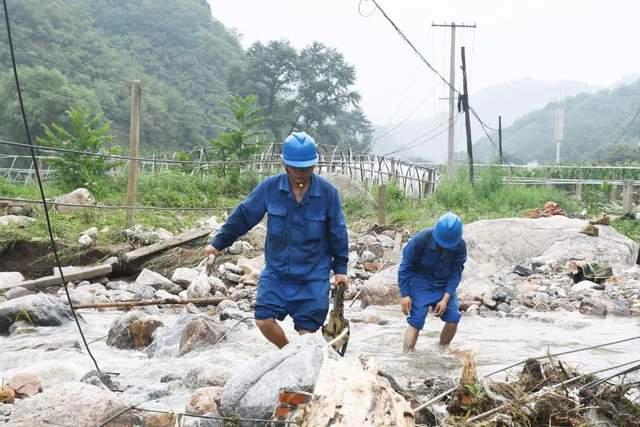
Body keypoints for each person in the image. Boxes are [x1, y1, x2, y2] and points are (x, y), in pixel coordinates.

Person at [204, 132, 349, 348]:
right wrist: (217, 244)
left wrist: (341, 269)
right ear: (284, 164)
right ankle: (288, 353)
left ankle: (302, 362)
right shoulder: (270, 188)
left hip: (313, 276)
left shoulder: (328, 194)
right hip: (278, 272)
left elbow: (338, 231)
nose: (300, 173)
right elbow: (244, 216)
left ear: (314, 166)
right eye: (295, 168)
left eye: (306, 168)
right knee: (263, 318)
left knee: (307, 334)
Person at [398, 212, 467, 351]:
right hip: (420, 282)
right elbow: (406, 266)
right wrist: (405, 294)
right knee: (416, 321)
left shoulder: (460, 246)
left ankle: (442, 350)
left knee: (453, 319)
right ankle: (407, 355)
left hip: (444, 284)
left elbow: (456, 274)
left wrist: (445, 299)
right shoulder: (422, 239)